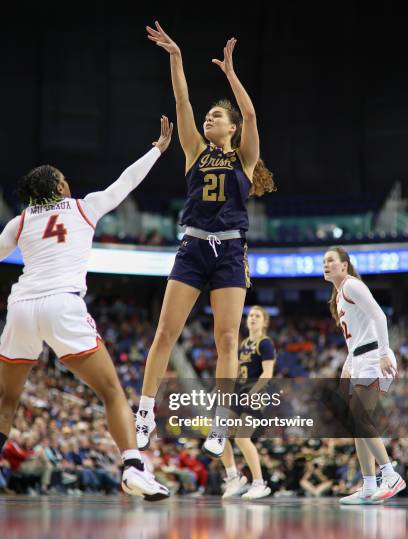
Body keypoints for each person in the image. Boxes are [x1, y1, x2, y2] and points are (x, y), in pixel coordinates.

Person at [0, 117, 173, 501]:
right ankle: (133, 468)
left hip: (22, 308)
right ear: (60, 186)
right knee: (111, 392)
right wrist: (157, 150)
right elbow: (125, 182)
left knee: (6, 400)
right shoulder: (83, 208)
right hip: (63, 305)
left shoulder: (21, 220)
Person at [136, 22, 275, 453]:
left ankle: (221, 421)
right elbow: (182, 100)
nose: (209, 117)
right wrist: (176, 57)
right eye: (209, 115)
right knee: (165, 333)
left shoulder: (246, 160)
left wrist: (231, 75)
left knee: (228, 339)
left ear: (231, 129)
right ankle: (142, 411)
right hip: (193, 246)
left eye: (217, 116)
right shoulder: (195, 150)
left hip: (231, 248)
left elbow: (251, 114)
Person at [323, 246, 406, 504]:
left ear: (344, 265)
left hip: (373, 356)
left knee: (360, 416)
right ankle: (369, 485)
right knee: (356, 422)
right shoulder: (338, 295)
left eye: (331, 260)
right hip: (360, 358)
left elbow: (379, 316)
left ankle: (391, 474)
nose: (325, 265)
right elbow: (356, 337)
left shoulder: (351, 285)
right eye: (323, 261)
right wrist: (348, 365)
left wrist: (383, 353)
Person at [211, 306, 276, 499]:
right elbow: (237, 371)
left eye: (257, 316)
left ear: (264, 322)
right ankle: (234, 477)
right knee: (218, 431)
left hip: (257, 394)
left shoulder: (265, 343)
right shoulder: (245, 344)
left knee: (241, 437)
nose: (252, 318)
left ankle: (259, 483)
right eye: (250, 316)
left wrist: (253, 392)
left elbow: (268, 373)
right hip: (240, 392)